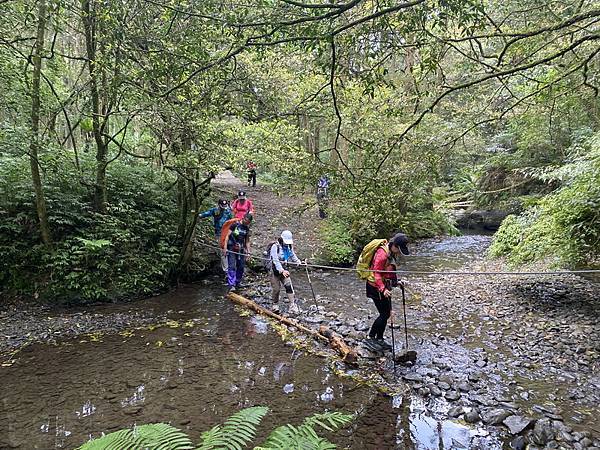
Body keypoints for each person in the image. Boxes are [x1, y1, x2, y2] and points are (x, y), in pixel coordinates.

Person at [365, 233, 410, 351]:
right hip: (375, 287)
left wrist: (397, 282)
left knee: (386, 314)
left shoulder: (391, 252)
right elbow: (376, 273)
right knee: (384, 314)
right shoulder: (382, 254)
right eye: (399, 249)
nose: (399, 252)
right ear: (394, 245)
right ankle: (370, 337)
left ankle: (379, 338)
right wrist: (383, 289)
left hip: (385, 286)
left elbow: (389, 272)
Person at [268, 230, 303, 314]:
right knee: (276, 289)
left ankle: (292, 305)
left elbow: (292, 255)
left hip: (284, 269)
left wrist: (299, 262)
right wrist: (282, 271)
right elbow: (275, 261)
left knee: (288, 286)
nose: (287, 243)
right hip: (275, 271)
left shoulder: (289, 247)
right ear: (282, 239)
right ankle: (275, 304)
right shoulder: (275, 247)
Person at [220, 212, 253, 292]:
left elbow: (247, 241)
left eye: (248, 222)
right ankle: (231, 284)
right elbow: (227, 236)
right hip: (231, 248)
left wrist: (248, 252)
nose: (246, 222)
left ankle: (238, 282)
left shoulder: (246, 228)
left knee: (241, 266)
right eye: (246, 220)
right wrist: (224, 247)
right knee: (232, 266)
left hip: (241, 249)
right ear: (243, 218)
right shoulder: (235, 225)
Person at [198, 199, 233, 272]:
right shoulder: (215, 210)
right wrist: (200, 215)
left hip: (227, 232)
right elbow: (208, 213)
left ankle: (228, 267)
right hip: (218, 232)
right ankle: (225, 269)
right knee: (222, 249)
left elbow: (232, 220)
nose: (224, 207)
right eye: (222, 206)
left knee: (226, 248)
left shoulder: (228, 211)